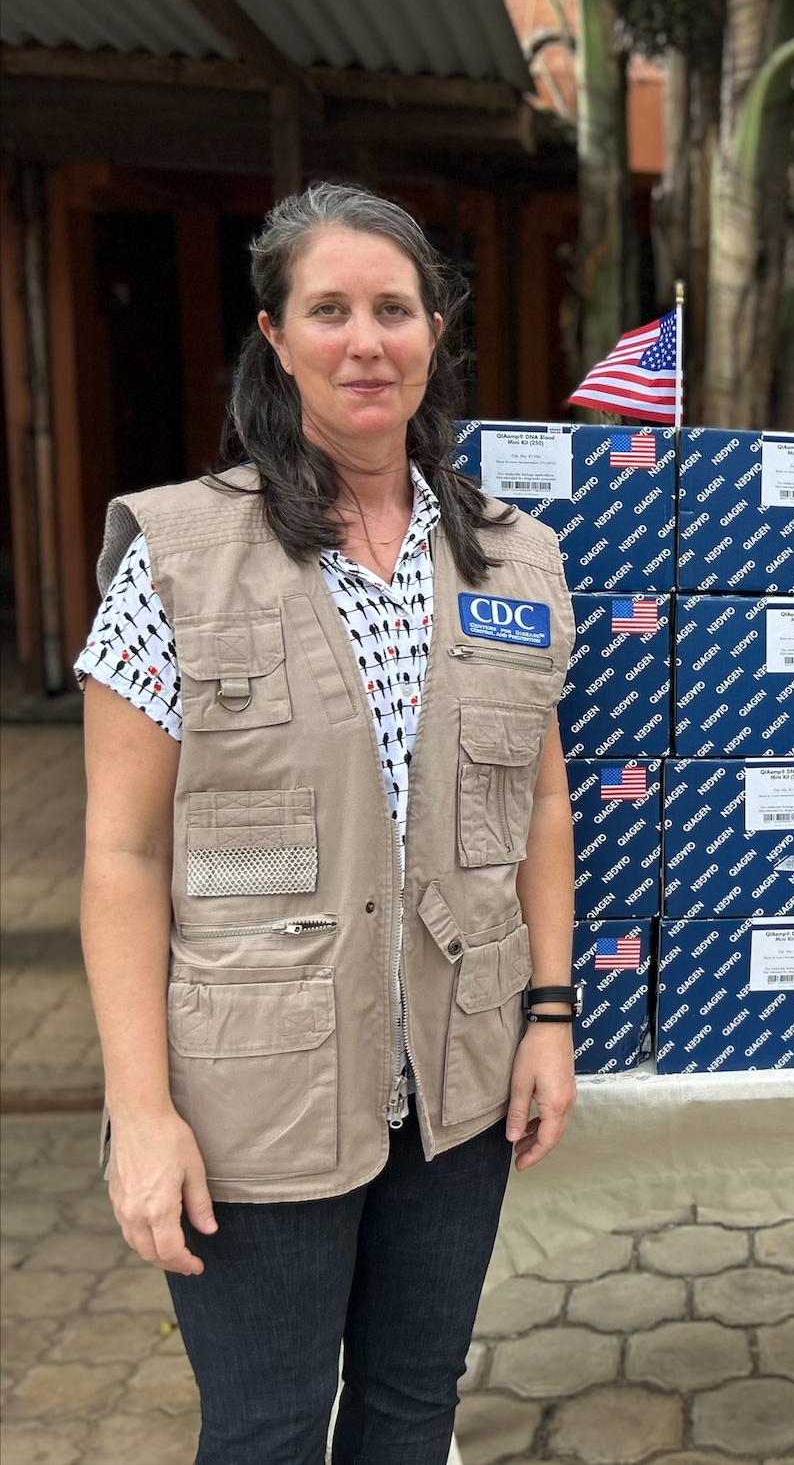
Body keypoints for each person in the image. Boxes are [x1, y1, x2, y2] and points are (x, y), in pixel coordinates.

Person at [76, 183, 580, 1463]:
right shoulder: (182, 556)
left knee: (413, 1414)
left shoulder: (512, 560)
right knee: (266, 1428)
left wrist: (550, 1015)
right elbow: (122, 856)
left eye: (394, 310)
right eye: (330, 310)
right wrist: (142, 1116)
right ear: (276, 335)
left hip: (454, 1083)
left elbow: (538, 799)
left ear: (435, 332)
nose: (368, 340)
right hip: (257, 1091)